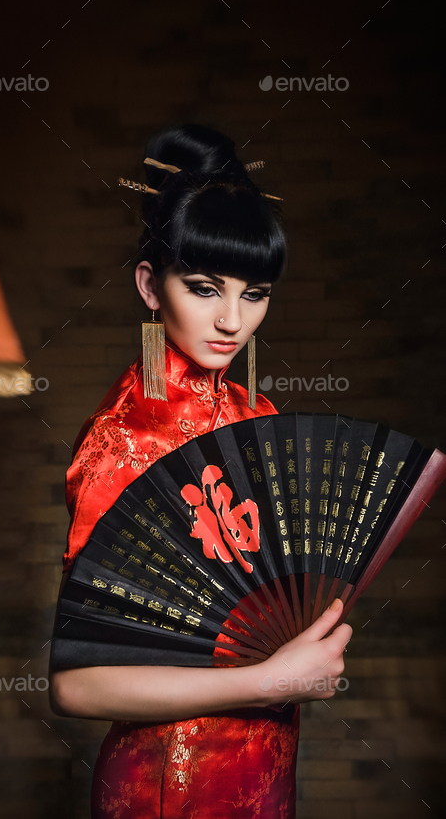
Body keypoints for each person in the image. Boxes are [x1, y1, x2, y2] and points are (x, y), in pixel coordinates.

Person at [49, 124, 352, 818]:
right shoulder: (121, 445)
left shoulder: (258, 414)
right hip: (169, 782)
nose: (230, 319)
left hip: (267, 765)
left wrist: (309, 646)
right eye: (205, 286)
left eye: (255, 293)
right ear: (151, 286)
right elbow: (76, 685)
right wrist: (270, 678)